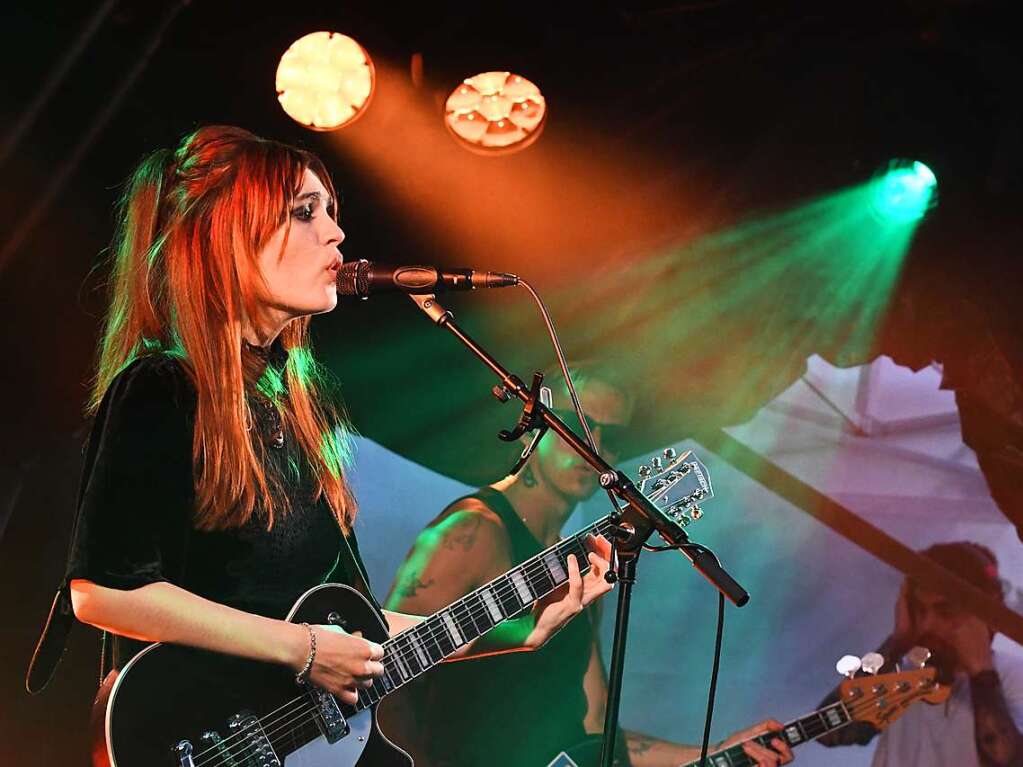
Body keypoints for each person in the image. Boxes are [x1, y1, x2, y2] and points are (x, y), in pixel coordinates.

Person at [64, 126, 613, 738]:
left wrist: (516, 631)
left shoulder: (294, 410)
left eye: (329, 210)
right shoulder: (161, 389)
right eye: (305, 213)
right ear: (226, 239)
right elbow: (104, 593)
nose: (336, 232)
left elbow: (361, 632)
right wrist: (302, 648)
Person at [381, 362, 794, 767]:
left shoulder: (583, 562)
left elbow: (595, 730)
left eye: (610, 436)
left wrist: (715, 750)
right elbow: (385, 675)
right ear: (534, 426)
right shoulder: (474, 529)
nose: (593, 445)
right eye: (578, 427)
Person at [818, 541, 1023, 767]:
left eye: (944, 611)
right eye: (920, 610)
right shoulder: (903, 679)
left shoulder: (1014, 677)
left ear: (981, 615)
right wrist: (897, 643)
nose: (926, 625)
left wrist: (982, 675)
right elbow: (826, 731)